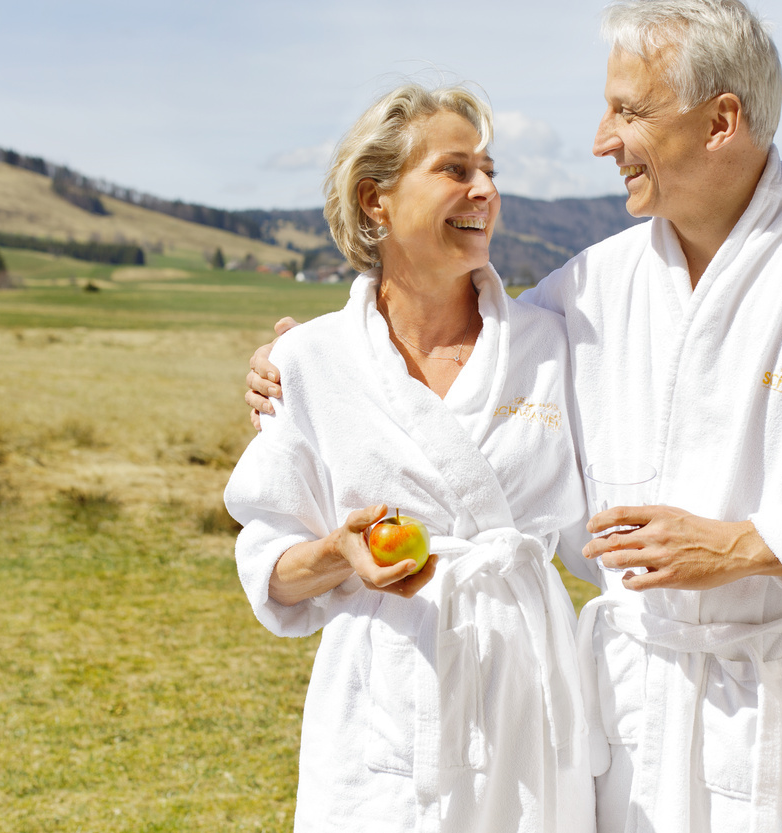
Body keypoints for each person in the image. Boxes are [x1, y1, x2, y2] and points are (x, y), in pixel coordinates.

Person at [244, 2, 782, 831]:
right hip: (631, 711)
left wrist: (744, 545)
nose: (603, 140)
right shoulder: (596, 285)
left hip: (780, 706)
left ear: (720, 121)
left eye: (628, 111)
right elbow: (465, 346)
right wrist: (316, 357)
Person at [224, 83, 596, 833]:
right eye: (455, 169)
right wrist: (337, 552)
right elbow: (270, 569)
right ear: (376, 199)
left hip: (527, 693)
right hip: (383, 706)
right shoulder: (311, 361)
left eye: (489, 171)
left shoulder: (551, 345)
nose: (484, 190)